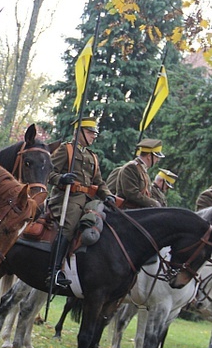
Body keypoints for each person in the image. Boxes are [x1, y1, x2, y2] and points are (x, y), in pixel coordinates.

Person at [47, 116, 115, 286]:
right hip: (66, 198)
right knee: (69, 226)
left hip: (88, 199)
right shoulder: (66, 150)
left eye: (95, 133)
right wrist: (61, 178)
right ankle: (54, 271)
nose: (94, 136)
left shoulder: (93, 157)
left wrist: (107, 195)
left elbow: (99, 182)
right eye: (90, 132)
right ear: (79, 132)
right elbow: (48, 172)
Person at [112, 138, 165, 209]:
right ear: (149, 156)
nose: (158, 160)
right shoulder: (131, 168)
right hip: (128, 211)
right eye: (156, 157)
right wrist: (153, 203)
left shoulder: (142, 169)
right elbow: (132, 194)